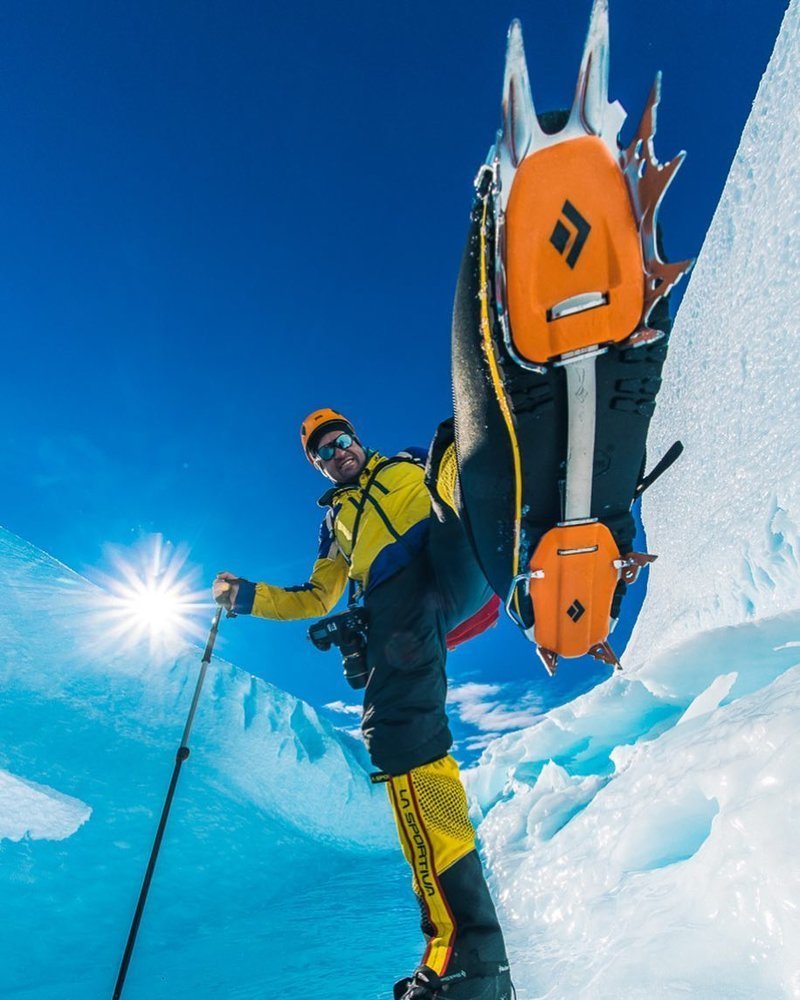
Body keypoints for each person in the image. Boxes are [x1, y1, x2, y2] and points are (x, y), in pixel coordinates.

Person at [213, 407, 514, 1000]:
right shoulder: (335, 527)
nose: (336, 454)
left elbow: (439, 482)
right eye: (323, 453)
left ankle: (507, 453)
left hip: (452, 548)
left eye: (341, 440)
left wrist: (457, 446)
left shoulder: (405, 464)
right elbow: (316, 596)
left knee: (449, 452)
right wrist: (247, 597)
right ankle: (470, 953)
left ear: (358, 439)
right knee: (399, 734)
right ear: (319, 468)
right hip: (400, 598)